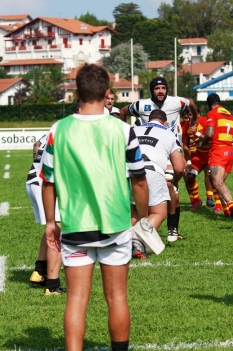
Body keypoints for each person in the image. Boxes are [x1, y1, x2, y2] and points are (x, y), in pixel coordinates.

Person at [41, 64, 149, 351]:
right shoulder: (123, 130)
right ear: (107, 92)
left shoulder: (58, 129)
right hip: (115, 225)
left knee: (76, 298)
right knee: (117, 298)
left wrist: (50, 222)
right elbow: (139, 181)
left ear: (77, 92)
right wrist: (144, 217)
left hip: (75, 225)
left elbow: (47, 182)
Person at [122, 77, 196, 242]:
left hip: (142, 162)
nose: (161, 91)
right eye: (157, 88)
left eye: (163, 88)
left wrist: (194, 120)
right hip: (160, 157)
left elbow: (191, 103)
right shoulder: (142, 105)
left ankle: (172, 230)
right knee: (162, 202)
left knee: (170, 193)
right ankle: (141, 239)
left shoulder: (176, 102)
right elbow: (123, 111)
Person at [131, 109, 185, 253]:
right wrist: (174, 181)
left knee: (135, 211)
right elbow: (180, 168)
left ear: (148, 120)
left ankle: (129, 243)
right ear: (165, 122)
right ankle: (137, 242)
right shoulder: (169, 133)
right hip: (152, 170)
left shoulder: (134, 129)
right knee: (158, 212)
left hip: (129, 171)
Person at [26, 133, 65, 296]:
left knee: (53, 228)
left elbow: (36, 146)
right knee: (58, 231)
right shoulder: (73, 131)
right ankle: (52, 285)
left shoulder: (56, 129)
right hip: (45, 183)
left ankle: (39, 272)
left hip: (33, 179)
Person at [201, 93, 233, 218]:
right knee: (218, 183)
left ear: (209, 104)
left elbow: (209, 133)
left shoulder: (212, 113)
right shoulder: (229, 114)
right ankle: (227, 211)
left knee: (217, 182)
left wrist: (203, 144)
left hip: (218, 151)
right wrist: (228, 140)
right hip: (229, 151)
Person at [181, 106, 220, 211]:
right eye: (187, 115)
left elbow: (211, 138)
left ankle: (214, 201)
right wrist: (188, 161)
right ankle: (196, 200)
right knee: (188, 176)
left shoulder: (205, 122)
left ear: (198, 114)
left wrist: (196, 133)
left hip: (211, 154)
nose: (189, 118)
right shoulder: (185, 126)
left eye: (191, 114)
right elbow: (185, 146)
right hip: (198, 156)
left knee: (211, 174)